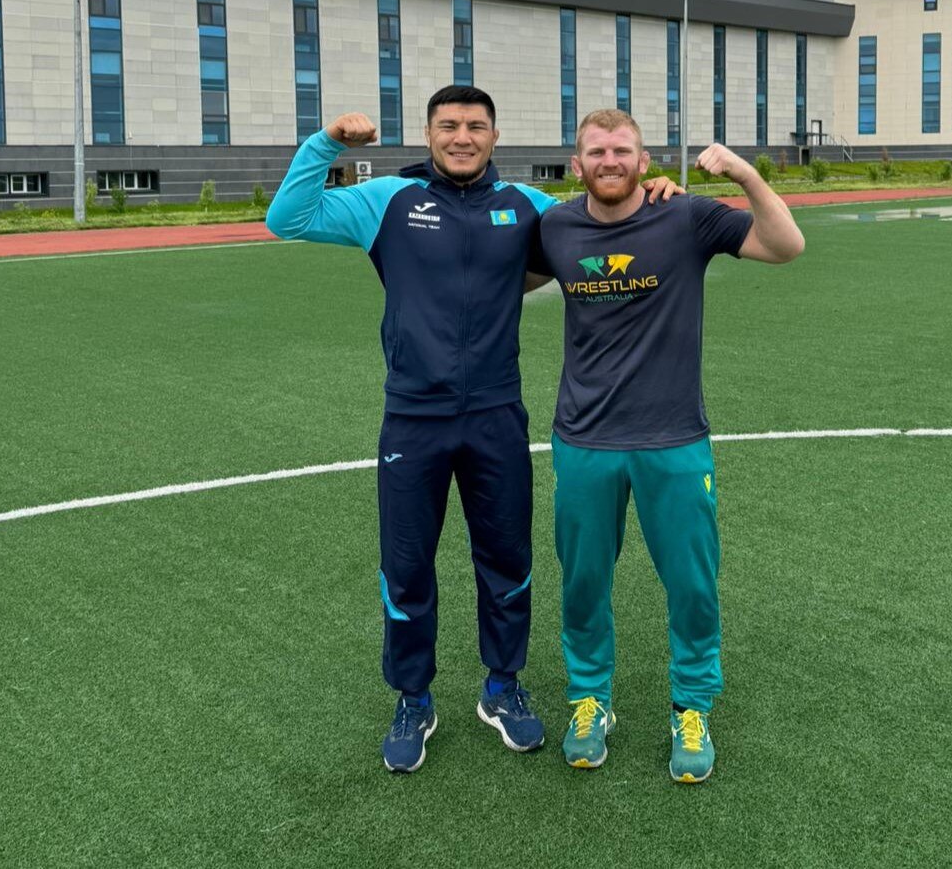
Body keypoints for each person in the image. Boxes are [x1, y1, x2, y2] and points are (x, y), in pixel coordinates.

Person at [266, 86, 676, 774]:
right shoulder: (386, 201)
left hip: (495, 416)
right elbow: (289, 216)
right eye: (448, 125)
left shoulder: (525, 206)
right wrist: (329, 140)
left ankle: (502, 687)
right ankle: (412, 697)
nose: (462, 137)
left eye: (475, 126)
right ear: (428, 133)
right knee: (405, 568)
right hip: (411, 419)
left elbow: (607, 221)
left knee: (506, 562)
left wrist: (650, 187)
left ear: (494, 134)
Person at [537, 108, 805, 781]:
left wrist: (743, 172)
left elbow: (785, 246)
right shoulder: (555, 227)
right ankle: (589, 699)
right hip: (584, 440)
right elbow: (494, 277)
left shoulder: (686, 218)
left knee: (690, 584)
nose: (608, 160)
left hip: (674, 437)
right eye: (595, 151)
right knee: (583, 583)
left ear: (642, 159)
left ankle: (691, 707)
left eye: (620, 149)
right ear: (576, 165)